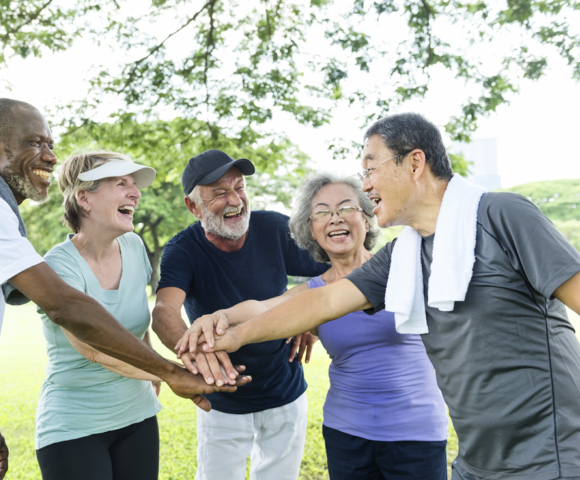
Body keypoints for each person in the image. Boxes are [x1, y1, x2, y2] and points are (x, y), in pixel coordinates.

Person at [0, 99, 249, 480]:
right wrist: (170, 372)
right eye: (34, 143)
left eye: (50, 144)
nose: (49, 156)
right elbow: (65, 306)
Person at [185, 113, 580, 480]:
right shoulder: (405, 256)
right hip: (476, 462)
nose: (367, 184)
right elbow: (322, 301)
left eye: (370, 169)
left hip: (551, 456)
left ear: (414, 163)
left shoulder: (501, 215)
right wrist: (232, 332)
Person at [181, 172, 449, 479]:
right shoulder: (312, 292)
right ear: (312, 229)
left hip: (416, 433)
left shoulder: (403, 268)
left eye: (345, 208)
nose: (334, 219)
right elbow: (264, 307)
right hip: (346, 434)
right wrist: (220, 318)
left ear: (366, 216)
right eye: (322, 212)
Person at [152, 149, 328, 480]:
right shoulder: (182, 250)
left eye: (239, 187)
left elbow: (338, 270)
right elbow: (164, 312)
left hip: (285, 393)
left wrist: (309, 319)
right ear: (194, 207)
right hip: (222, 401)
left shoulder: (275, 228)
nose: (235, 199)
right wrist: (196, 354)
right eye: (219, 192)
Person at [35, 151, 166, 479]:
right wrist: (169, 373)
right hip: (74, 425)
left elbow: (135, 325)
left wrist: (150, 371)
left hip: (138, 415)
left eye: (134, 185)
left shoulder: (134, 247)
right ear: (84, 198)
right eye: (121, 183)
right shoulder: (59, 266)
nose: (134, 193)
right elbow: (94, 348)